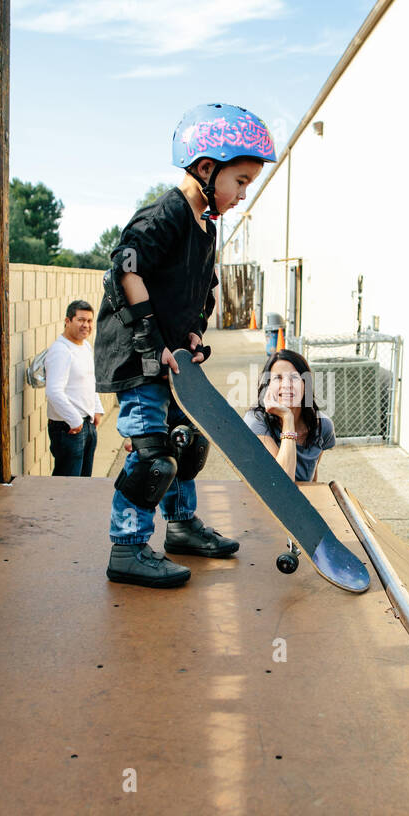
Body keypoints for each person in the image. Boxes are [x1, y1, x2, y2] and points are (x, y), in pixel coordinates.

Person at [96, 103, 276, 588]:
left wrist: (195, 330)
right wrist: (152, 338)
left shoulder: (206, 227)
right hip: (141, 358)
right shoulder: (165, 214)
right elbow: (125, 268)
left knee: (186, 445)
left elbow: (201, 289)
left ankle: (181, 527)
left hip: (174, 361)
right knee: (153, 456)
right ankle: (127, 548)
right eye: (240, 181)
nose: (243, 194)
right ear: (205, 168)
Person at [246, 349, 335, 482]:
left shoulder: (322, 426)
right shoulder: (256, 421)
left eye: (294, 377)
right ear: (268, 385)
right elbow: (283, 482)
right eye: (278, 378)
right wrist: (288, 419)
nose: (286, 385)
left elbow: (312, 476)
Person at [45, 300, 105, 476]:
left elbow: (89, 380)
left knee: (83, 486)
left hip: (87, 425)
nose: (85, 325)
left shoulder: (85, 346)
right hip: (68, 428)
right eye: (80, 320)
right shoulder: (61, 351)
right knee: (66, 488)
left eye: (89, 321)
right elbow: (53, 391)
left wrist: (97, 409)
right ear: (67, 321)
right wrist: (75, 421)